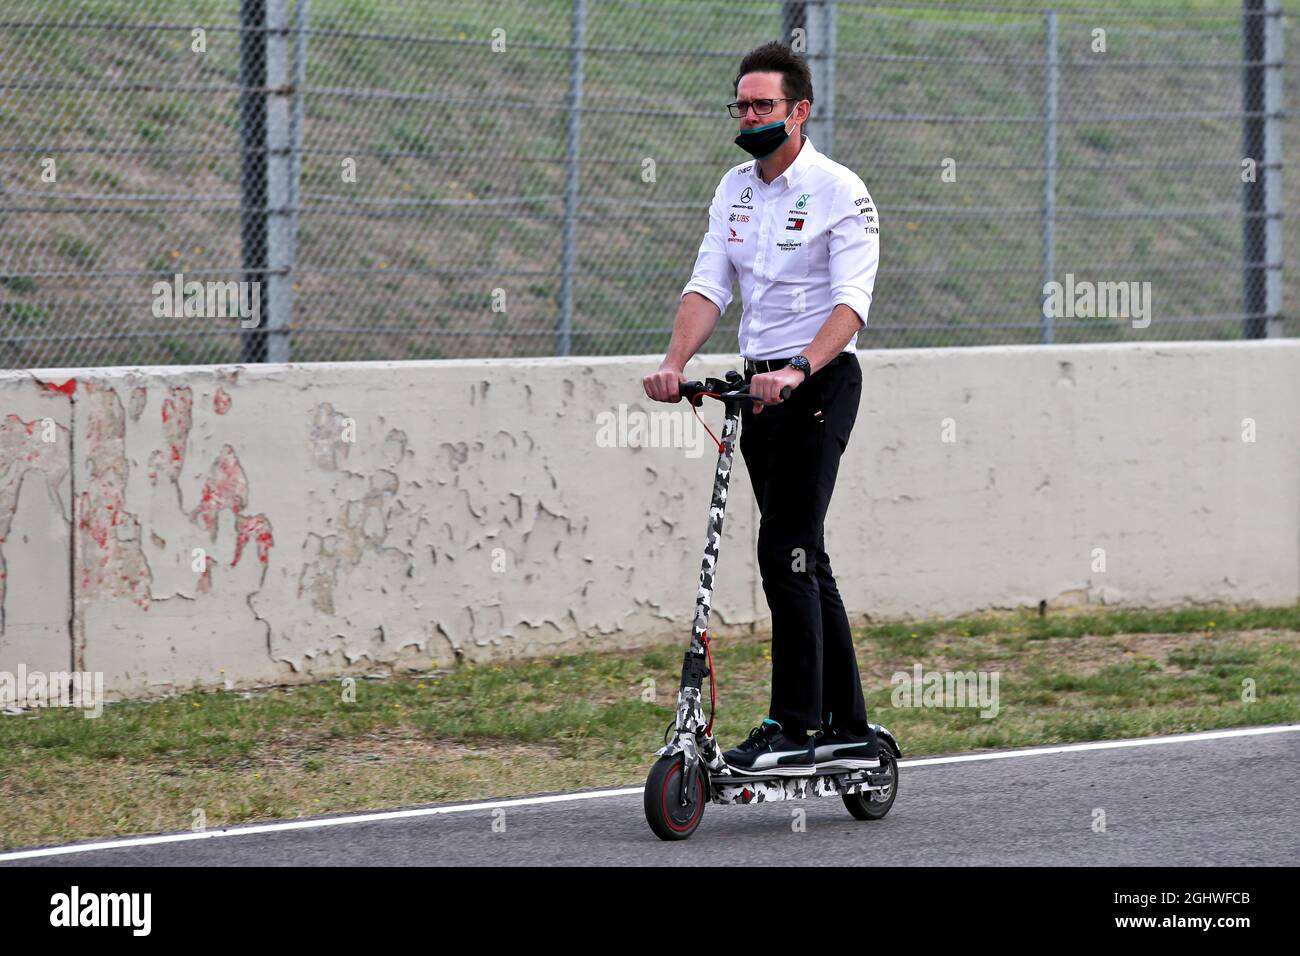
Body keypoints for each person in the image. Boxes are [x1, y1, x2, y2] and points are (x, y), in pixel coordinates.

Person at [642, 41, 881, 777]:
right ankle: (848, 725)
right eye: (741, 106)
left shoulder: (841, 191)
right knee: (807, 554)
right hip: (755, 394)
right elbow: (708, 284)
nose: (749, 117)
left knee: (785, 552)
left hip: (818, 386)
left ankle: (795, 726)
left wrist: (801, 366)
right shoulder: (734, 190)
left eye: (763, 106)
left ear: (799, 110)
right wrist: (674, 363)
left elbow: (851, 305)